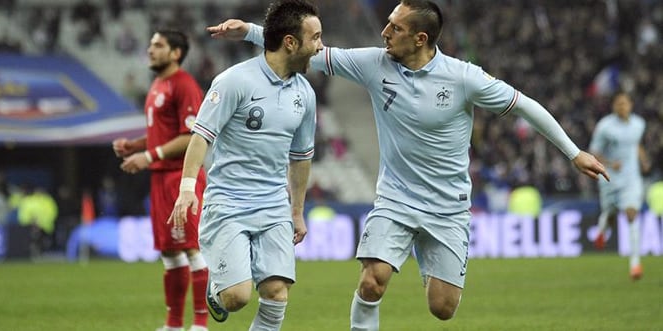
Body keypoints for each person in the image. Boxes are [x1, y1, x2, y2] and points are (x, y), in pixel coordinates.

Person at [208, 1, 609, 329]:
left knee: (443, 308)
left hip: (448, 207)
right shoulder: (373, 64)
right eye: (386, 24)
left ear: (420, 38)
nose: (384, 33)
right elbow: (304, 48)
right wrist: (249, 32)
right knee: (372, 281)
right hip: (395, 201)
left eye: (395, 28)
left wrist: (574, 153)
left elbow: (525, 106)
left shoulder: (463, 78)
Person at [169, 1, 322, 330]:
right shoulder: (234, 81)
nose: (320, 47)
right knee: (236, 298)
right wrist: (186, 189)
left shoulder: (305, 94)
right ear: (291, 43)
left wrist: (296, 211)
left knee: (277, 292)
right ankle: (217, 288)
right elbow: (201, 136)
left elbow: (301, 156)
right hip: (228, 202)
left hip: (273, 204)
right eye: (316, 38)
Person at [112, 29, 209, 331]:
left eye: (158, 45)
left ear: (176, 53)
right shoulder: (157, 85)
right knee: (169, 252)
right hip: (160, 178)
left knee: (192, 248)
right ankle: (174, 324)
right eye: (151, 44)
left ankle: (201, 324)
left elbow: (192, 136)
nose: (150, 50)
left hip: (182, 178)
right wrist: (136, 145)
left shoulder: (185, 86)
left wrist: (149, 155)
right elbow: (162, 131)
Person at [590, 91, 650, 280]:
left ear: (631, 105)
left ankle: (635, 264)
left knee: (632, 214)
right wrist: (609, 163)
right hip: (609, 178)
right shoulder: (605, 127)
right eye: (618, 104)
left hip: (632, 178)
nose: (621, 107)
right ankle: (601, 232)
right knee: (611, 215)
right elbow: (594, 152)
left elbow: (635, 144)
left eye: (625, 104)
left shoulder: (639, 124)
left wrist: (643, 159)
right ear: (613, 106)